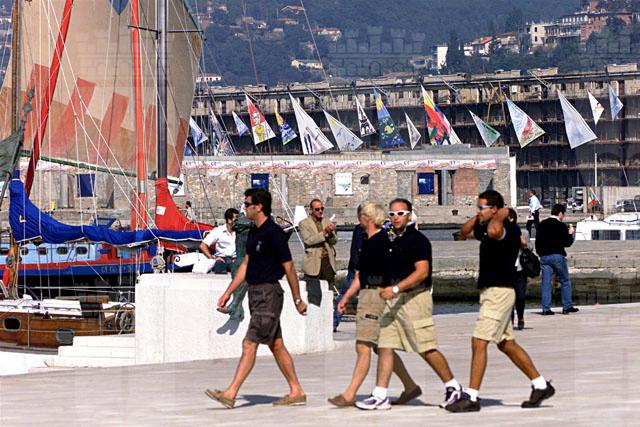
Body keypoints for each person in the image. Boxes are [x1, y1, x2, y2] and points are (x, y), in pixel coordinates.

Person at [446, 190, 555, 413]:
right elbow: (463, 233)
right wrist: (480, 215)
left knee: (479, 341)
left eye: (482, 207)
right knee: (506, 344)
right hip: (491, 291)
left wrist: (500, 215)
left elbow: (496, 231)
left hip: (500, 291)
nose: (479, 211)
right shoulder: (486, 227)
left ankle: (472, 397)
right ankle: (540, 385)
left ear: (495, 209)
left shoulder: (509, 229)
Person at [205, 189, 308, 409]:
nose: (244, 207)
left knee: (249, 343)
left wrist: (298, 300)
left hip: (268, 295)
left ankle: (231, 393)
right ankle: (297, 391)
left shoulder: (274, 233)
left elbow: (289, 267)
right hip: (255, 294)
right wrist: (228, 292)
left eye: (247, 204)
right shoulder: (253, 233)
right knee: (276, 345)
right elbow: (245, 264)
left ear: (259, 207)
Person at [357, 198, 462, 411]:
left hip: (415, 298)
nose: (396, 218)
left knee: (425, 347)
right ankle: (380, 395)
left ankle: (453, 386)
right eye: (392, 214)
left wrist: (395, 289)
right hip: (394, 299)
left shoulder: (418, 240)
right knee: (384, 345)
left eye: (401, 213)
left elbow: (422, 272)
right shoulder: (393, 240)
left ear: (410, 215)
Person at [329, 202, 421, 408]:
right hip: (369, 293)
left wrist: (393, 291)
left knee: (363, 345)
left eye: (361, 215)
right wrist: (345, 298)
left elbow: (390, 270)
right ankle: (410, 386)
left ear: (367, 218)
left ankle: (350, 394)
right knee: (381, 347)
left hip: (374, 296)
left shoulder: (380, 242)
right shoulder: (371, 241)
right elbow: (360, 275)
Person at [535, 203, 578, 316]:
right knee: (565, 281)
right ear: (560, 213)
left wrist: (541, 254)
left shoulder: (542, 224)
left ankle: (546, 309)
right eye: (563, 214)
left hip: (544, 256)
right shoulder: (561, 225)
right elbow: (567, 243)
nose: (563, 217)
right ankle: (567, 306)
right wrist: (570, 234)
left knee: (546, 283)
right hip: (557, 255)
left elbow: (537, 242)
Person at [333, 204, 365, 333]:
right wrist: (357, 268)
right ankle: (334, 322)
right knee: (344, 295)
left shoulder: (375, 230)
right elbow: (356, 250)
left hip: (367, 270)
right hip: (356, 270)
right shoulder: (359, 229)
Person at [299, 199, 338, 291]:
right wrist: (324, 233)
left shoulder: (327, 221)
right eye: (317, 209)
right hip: (313, 262)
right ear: (311, 210)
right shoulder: (304, 223)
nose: (320, 211)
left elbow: (334, 242)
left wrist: (331, 233)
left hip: (327, 261)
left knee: (328, 290)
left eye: (322, 208)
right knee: (313, 292)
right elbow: (308, 240)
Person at [508, 208, 531, 330]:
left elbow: (530, 248)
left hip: (520, 269)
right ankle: (510, 320)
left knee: (520, 295)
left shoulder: (523, 232)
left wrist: (524, 244)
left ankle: (520, 317)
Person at [199, 208, 239, 274]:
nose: (239, 221)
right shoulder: (218, 231)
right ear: (229, 220)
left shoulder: (240, 231)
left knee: (239, 272)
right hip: (221, 259)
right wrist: (212, 258)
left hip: (234, 260)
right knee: (220, 271)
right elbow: (203, 245)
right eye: (236, 218)